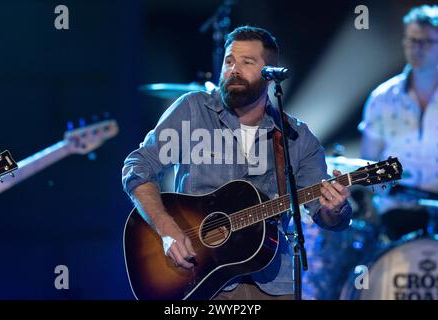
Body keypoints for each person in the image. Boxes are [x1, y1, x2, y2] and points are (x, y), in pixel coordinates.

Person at [122, 26, 352, 300]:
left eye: (247, 62)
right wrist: (167, 229)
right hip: (199, 278)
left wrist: (335, 209)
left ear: (270, 74)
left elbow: (326, 218)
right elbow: (137, 166)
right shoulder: (193, 110)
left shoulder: (295, 137)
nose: (234, 69)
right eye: (229, 61)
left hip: (272, 283)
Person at [360, 5, 438, 241]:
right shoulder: (382, 98)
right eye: (412, 40)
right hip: (396, 213)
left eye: (426, 41)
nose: (417, 48)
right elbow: (367, 162)